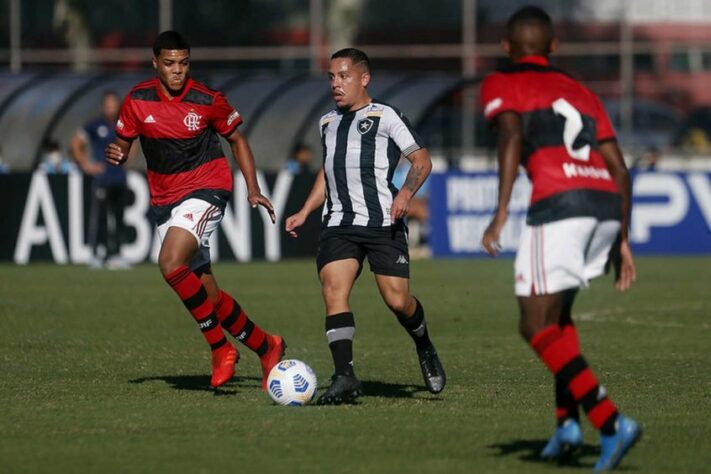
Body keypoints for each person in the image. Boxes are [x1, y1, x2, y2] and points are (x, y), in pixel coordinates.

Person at [479, 7, 640, 472]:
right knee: (559, 316)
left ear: (507, 48)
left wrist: (502, 210)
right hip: (605, 203)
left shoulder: (502, 81)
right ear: (553, 47)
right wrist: (622, 238)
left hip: (560, 206)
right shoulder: (582, 91)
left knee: (533, 323)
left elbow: (510, 134)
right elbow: (621, 170)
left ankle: (610, 422)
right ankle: (567, 424)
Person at [105, 31, 286, 389]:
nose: (178, 71)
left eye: (184, 63)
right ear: (155, 63)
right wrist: (120, 153)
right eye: (170, 64)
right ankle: (267, 346)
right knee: (209, 296)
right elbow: (124, 143)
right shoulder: (137, 99)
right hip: (164, 199)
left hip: (208, 187)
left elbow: (237, 139)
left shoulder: (207, 99)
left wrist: (252, 189)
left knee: (169, 262)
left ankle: (220, 348)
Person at [285, 48, 446, 405]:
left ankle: (424, 342)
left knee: (398, 301)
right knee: (333, 290)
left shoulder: (386, 116)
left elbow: (421, 160)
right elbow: (327, 174)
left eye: (343, 76)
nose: (336, 84)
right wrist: (306, 210)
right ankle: (345, 376)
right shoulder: (327, 122)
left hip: (381, 223)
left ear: (363, 78)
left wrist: (405, 194)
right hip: (339, 224)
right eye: (331, 77)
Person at [71, 91, 131, 269]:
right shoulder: (95, 125)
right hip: (102, 179)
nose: (111, 108)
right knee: (101, 219)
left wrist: (127, 160)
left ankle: (117, 255)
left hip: (119, 178)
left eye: (113, 105)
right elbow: (76, 143)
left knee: (119, 218)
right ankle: (97, 255)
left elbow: (132, 143)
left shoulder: (124, 123)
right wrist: (86, 165)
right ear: (104, 106)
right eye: (108, 105)